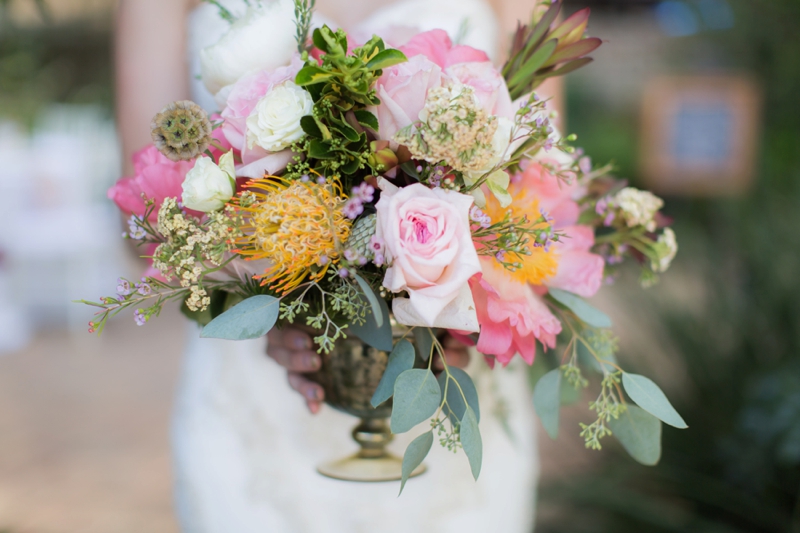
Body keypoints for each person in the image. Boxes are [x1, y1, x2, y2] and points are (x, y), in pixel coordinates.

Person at [116, 0, 552, 531]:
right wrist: (263, 296)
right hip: (257, 418)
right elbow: (145, 216)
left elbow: (545, 198)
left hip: (448, 392)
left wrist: (462, 297)